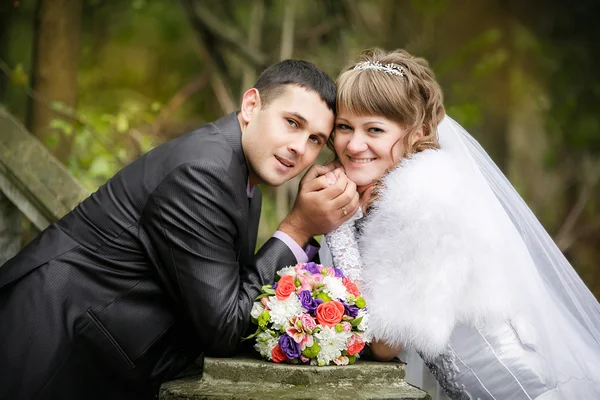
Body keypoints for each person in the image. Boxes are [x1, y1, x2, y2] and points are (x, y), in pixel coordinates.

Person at [0, 59, 359, 399]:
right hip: (46, 347)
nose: (299, 147)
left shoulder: (241, 177)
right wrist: (297, 227)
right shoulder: (203, 173)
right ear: (251, 105)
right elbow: (224, 326)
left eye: (315, 139)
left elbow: (223, 295)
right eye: (292, 123)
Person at [321, 48, 600, 399]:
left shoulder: (424, 199)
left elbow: (384, 343)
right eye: (344, 127)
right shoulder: (393, 192)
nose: (353, 143)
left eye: (374, 129)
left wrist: (335, 226)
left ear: (418, 130)